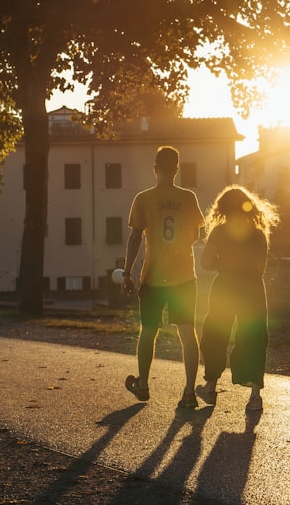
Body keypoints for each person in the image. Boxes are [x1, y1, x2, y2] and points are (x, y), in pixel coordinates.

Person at [122, 146, 204, 409]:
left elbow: (135, 238)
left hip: (154, 277)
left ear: (155, 168)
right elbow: (197, 235)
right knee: (188, 333)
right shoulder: (189, 197)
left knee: (148, 332)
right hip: (184, 278)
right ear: (177, 170)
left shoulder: (143, 199)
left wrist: (126, 272)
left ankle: (143, 385)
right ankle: (189, 393)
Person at [197, 185, 279, 412]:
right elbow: (260, 267)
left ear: (222, 209)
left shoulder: (220, 232)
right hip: (252, 287)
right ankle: (254, 396)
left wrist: (222, 263)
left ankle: (211, 387)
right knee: (254, 336)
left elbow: (205, 263)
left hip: (224, 286)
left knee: (216, 333)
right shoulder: (258, 234)